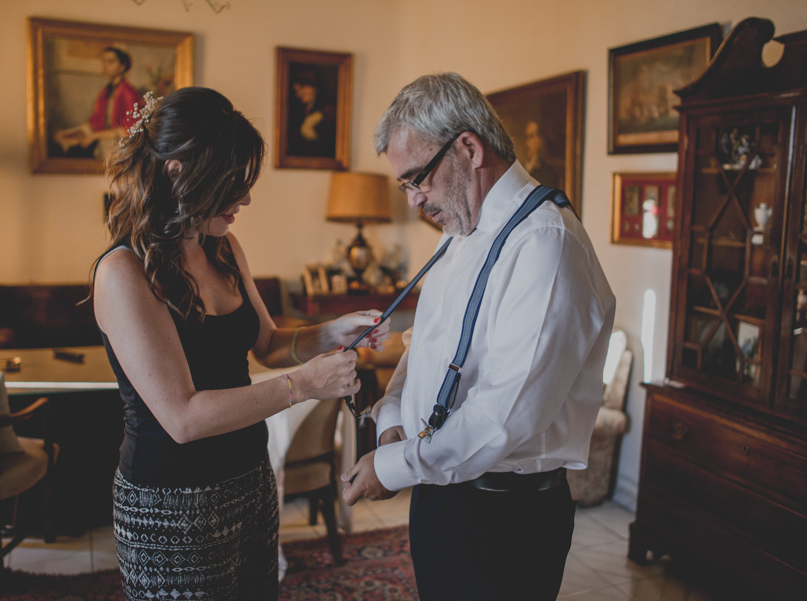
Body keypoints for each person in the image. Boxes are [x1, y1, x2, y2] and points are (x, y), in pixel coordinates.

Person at [92, 86, 390, 601]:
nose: (245, 199)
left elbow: (270, 343)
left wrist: (333, 331)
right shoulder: (125, 272)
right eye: (232, 183)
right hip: (170, 506)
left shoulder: (224, 249)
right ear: (178, 172)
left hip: (250, 482)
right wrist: (302, 385)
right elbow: (183, 418)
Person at [341, 73, 616, 601]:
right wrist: (394, 421)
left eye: (418, 178)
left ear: (468, 148)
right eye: (405, 185)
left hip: (505, 517)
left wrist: (394, 467)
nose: (414, 200)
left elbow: (504, 417)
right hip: (442, 489)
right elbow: (424, 346)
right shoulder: (461, 233)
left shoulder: (545, 245)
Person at [53, 46, 144, 158]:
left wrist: (94, 136)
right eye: (104, 61)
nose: (105, 66)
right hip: (102, 140)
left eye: (110, 62)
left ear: (122, 66)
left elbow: (128, 131)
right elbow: (94, 123)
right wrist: (67, 133)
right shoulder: (106, 91)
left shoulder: (129, 93)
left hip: (119, 146)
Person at [287, 67, 336, 158]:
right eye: (297, 91)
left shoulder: (327, 109)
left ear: (313, 87)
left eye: (302, 88)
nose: (299, 94)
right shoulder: (299, 109)